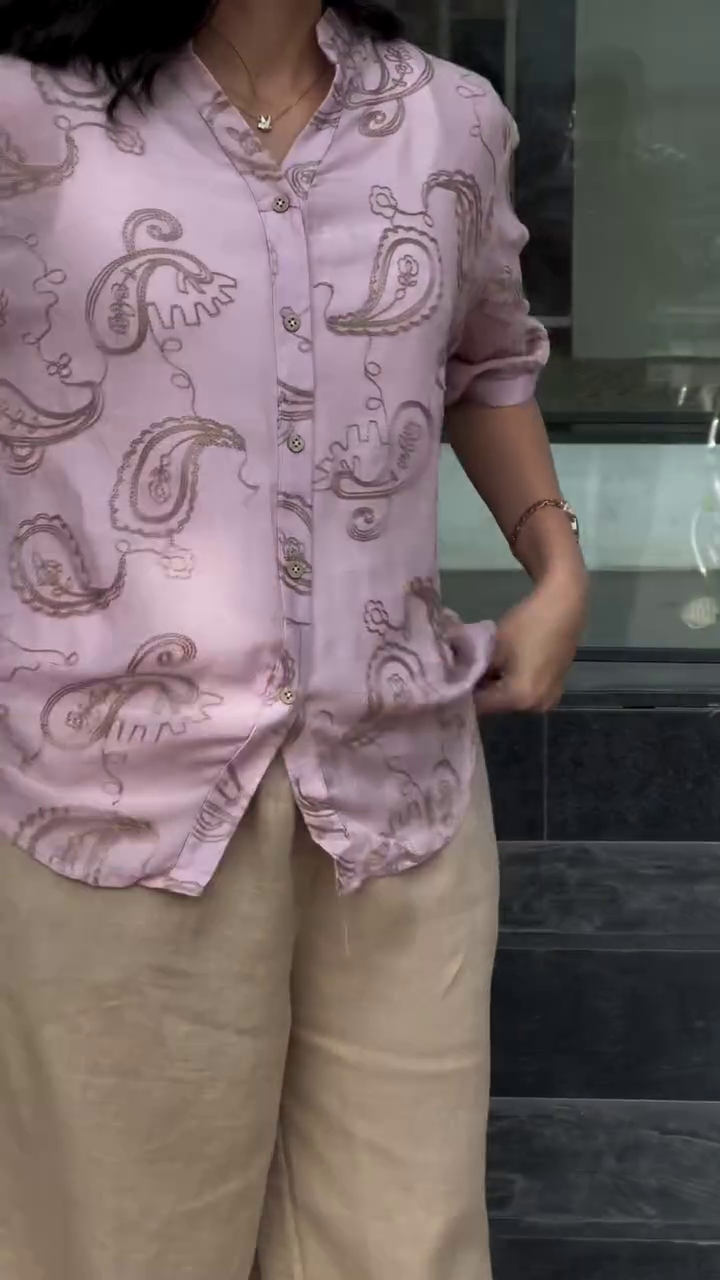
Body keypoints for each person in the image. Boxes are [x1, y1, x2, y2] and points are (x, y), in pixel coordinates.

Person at [0, 1, 587, 1276]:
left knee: (405, 1244)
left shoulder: (448, 119)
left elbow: (488, 362)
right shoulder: (26, 113)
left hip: (397, 785)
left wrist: (558, 563)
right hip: (106, 792)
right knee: (116, 1247)